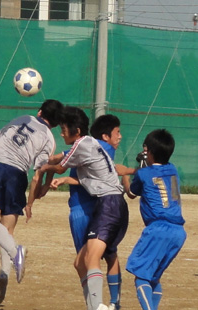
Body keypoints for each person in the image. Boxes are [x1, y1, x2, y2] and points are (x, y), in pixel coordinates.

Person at [0, 99, 64, 306]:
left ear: (39, 112)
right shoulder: (50, 139)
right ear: (57, 124)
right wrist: (44, 186)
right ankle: (3, 276)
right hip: (17, 175)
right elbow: (41, 168)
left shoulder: (22, 119)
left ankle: (16, 253)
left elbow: (0, 138)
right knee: (7, 232)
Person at [40, 106, 128, 310]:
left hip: (110, 204)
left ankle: (99, 306)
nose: (61, 133)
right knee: (80, 262)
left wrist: (43, 166)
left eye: (63, 128)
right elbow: (87, 175)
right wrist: (63, 180)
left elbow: (60, 165)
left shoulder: (81, 144)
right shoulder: (89, 143)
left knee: (92, 258)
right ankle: (94, 306)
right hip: (111, 204)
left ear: (77, 131)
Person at [122, 129, 186, 310]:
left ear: (149, 152)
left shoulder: (143, 174)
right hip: (178, 231)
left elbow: (132, 193)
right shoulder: (173, 169)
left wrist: (125, 175)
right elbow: (157, 174)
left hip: (158, 229)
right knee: (154, 278)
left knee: (141, 276)